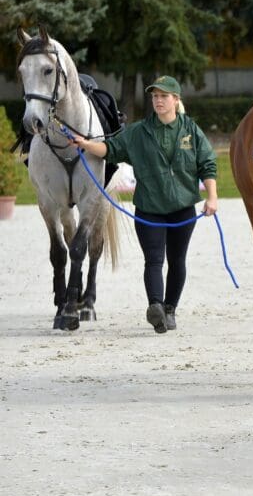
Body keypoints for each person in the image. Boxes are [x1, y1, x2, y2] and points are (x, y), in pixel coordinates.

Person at [71, 75, 218, 334]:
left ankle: (170, 309)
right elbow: (111, 148)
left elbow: (207, 164)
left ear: (176, 100)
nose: (158, 101)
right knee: (153, 260)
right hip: (149, 209)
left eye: (163, 96)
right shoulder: (138, 131)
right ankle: (156, 308)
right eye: (155, 96)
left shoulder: (191, 130)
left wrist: (213, 197)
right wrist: (85, 144)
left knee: (177, 259)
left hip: (183, 208)